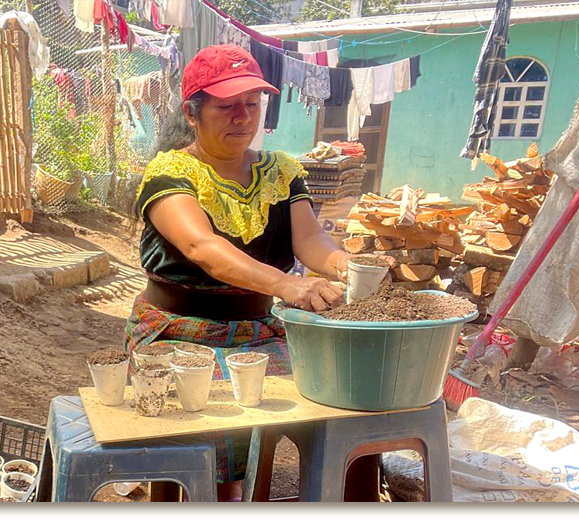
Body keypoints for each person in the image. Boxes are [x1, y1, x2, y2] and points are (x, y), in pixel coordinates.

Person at [124, 44, 386, 500]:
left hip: (260, 330)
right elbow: (201, 247)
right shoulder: (170, 173)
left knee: (342, 400)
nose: (242, 117)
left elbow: (309, 241)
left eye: (252, 104)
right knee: (211, 435)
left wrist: (347, 265)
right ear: (192, 112)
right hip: (177, 331)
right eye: (226, 106)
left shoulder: (279, 172)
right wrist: (287, 285)